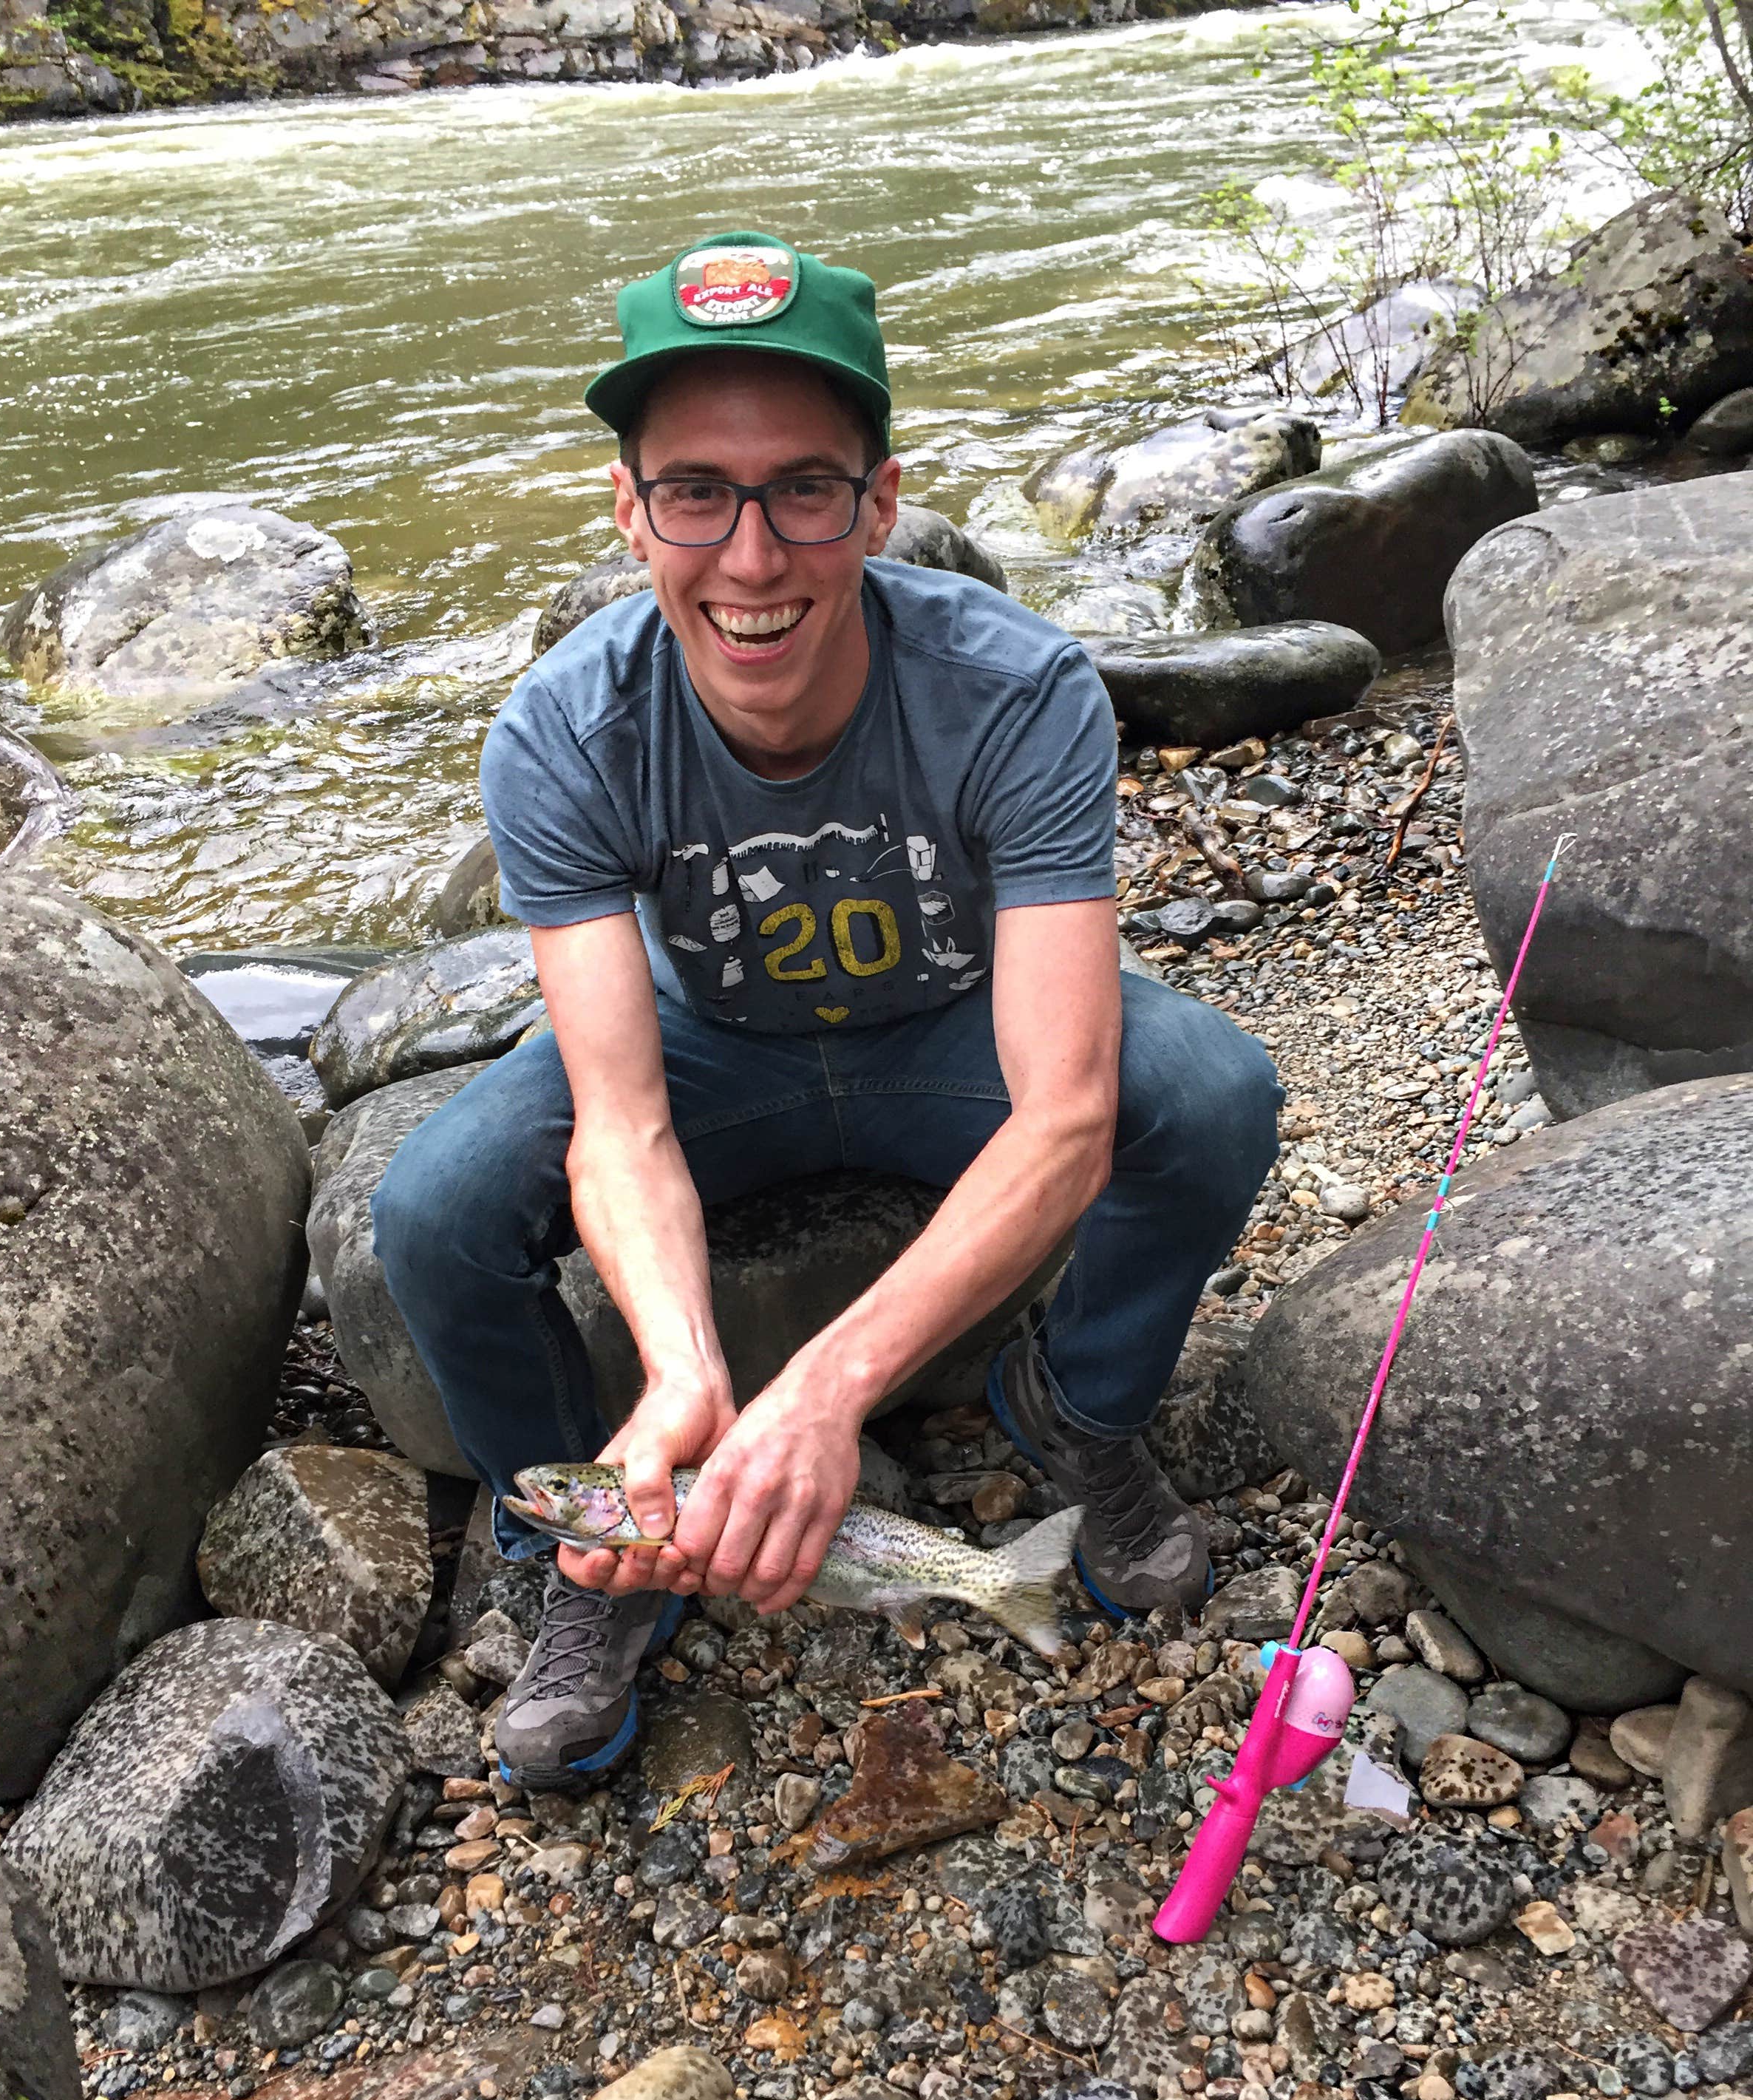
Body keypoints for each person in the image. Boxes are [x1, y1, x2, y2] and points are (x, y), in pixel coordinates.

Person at [372, 231, 1279, 1792]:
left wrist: (824, 1389)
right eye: (696, 493)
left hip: (952, 1032)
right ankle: (585, 1554)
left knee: (1208, 1090)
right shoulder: (563, 730)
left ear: (880, 501)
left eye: (803, 488)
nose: (749, 555)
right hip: (710, 1053)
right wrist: (686, 1374)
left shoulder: (1022, 688)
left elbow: (1065, 1111)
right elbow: (622, 1116)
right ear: (630, 508)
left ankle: (1077, 1404)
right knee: (432, 1207)